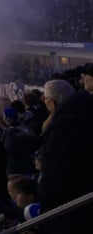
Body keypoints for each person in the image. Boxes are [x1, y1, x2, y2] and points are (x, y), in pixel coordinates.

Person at [37, 78, 93, 233]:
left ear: (52, 102)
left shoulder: (61, 128)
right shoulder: (85, 112)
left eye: (46, 100)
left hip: (69, 205)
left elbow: (55, 177)